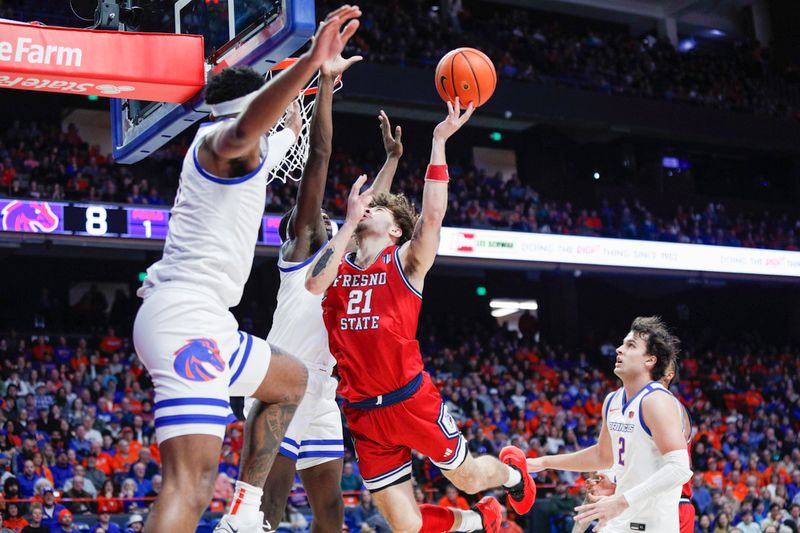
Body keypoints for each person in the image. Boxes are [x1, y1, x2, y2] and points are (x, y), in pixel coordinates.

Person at [131, 6, 362, 533]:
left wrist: (321, 82)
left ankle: (244, 512)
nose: (270, 130)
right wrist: (306, 60)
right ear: (243, 114)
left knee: (289, 381)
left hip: (206, 320)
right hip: (187, 320)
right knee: (189, 486)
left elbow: (304, 141)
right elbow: (248, 129)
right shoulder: (220, 146)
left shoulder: (256, 150)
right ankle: (235, 513)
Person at [306, 98, 536, 532]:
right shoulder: (337, 264)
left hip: (409, 399)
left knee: (467, 477)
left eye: (377, 209)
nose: (366, 207)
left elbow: (431, 216)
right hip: (361, 412)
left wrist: (439, 140)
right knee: (406, 527)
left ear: (395, 229)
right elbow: (315, 283)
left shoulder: (406, 262)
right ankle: (476, 523)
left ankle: (511, 474)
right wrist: (356, 211)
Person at [215, 48, 391, 533]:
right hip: (285, 380)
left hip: (323, 390)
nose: (319, 215)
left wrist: (392, 160)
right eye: (308, 216)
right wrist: (326, 93)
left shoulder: (342, 253)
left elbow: (372, 209)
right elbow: (319, 158)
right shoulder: (304, 251)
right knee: (268, 508)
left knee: (330, 511)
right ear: (298, 229)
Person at [528, 316, 692, 532]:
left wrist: (621, 500)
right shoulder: (613, 400)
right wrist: (544, 463)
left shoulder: (657, 400)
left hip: (651, 524)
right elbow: (602, 456)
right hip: (619, 519)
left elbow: (680, 469)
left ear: (650, 360)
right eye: (622, 343)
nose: (619, 349)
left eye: (630, 345)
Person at [587, 358, 695, 533]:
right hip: (639, 501)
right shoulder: (636, 405)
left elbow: (673, 468)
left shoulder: (667, 405)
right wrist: (617, 484)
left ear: (669, 374)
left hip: (671, 504)